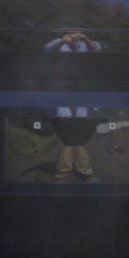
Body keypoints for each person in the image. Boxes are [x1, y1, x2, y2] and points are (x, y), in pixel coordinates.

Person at [44, 32, 101, 182]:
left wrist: (85, 38)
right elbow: (46, 48)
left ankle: (69, 169)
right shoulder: (61, 44)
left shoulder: (87, 44)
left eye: (78, 33)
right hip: (63, 89)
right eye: (72, 33)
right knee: (69, 136)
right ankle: (82, 170)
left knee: (77, 137)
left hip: (84, 90)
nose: (75, 36)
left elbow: (97, 49)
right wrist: (62, 40)